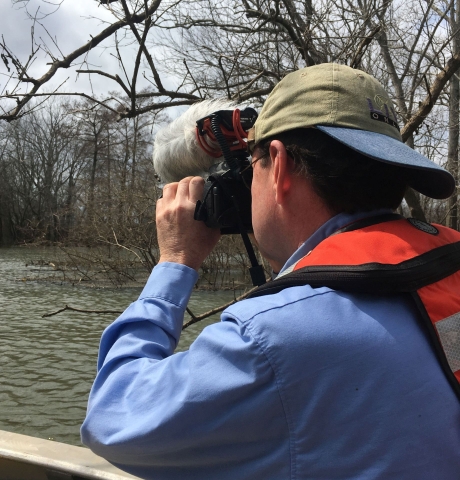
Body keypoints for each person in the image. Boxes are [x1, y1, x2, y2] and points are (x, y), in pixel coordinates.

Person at [81, 63, 460, 479]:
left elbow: (115, 420)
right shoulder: (446, 268)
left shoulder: (276, 338)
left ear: (277, 166)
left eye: (253, 165)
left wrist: (174, 261)